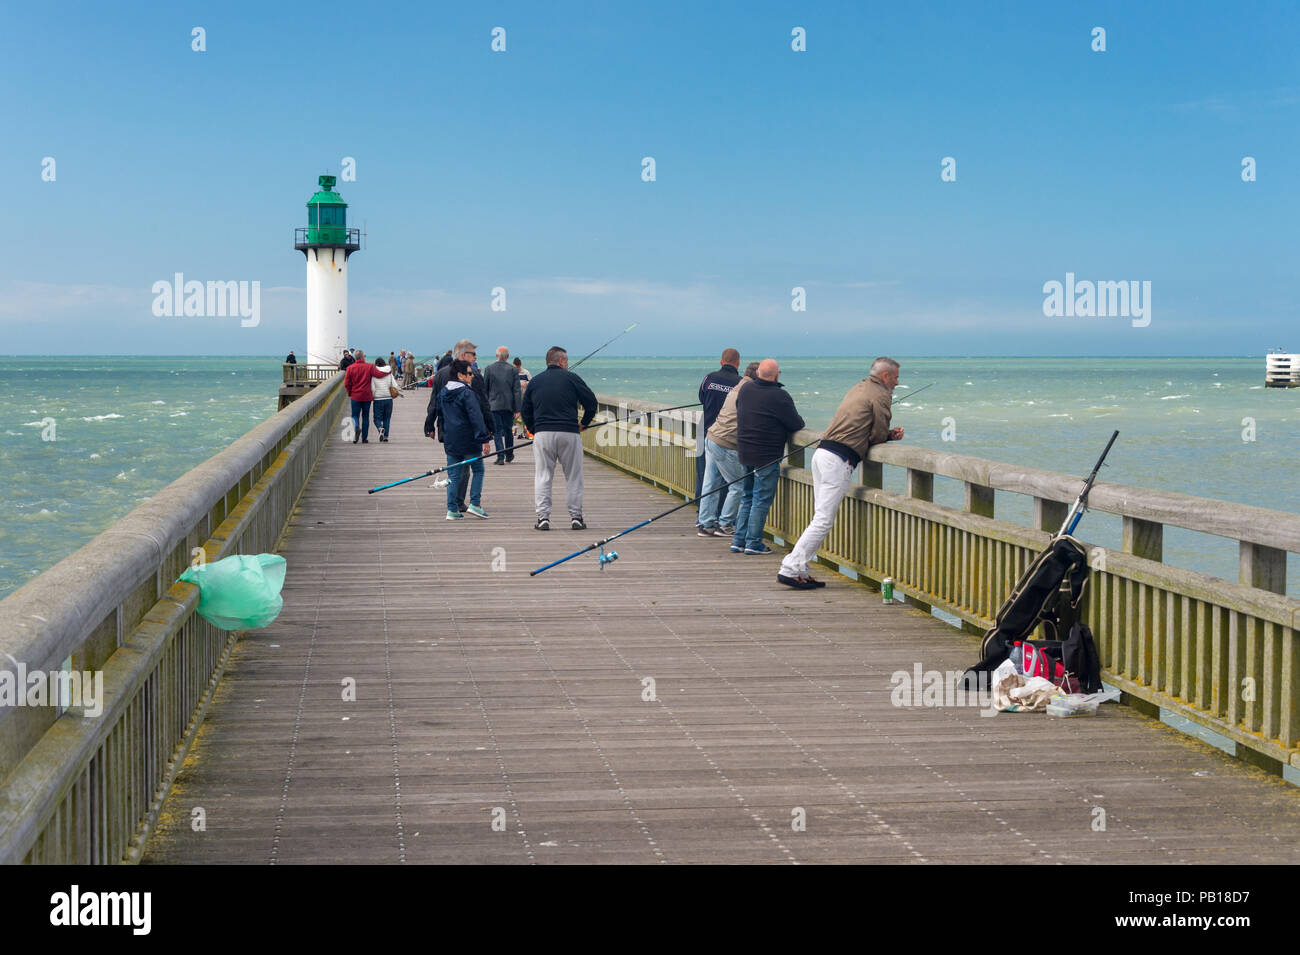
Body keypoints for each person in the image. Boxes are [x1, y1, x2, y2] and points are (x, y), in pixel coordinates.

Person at [777, 357, 904, 588]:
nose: (897, 382)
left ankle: (801, 570)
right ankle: (791, 567)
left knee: (819, 517)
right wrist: (888, 435)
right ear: (885, 376)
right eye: (895, 377)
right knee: (823, 520)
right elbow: (876, 435)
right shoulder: (881, 394)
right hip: (839, 459)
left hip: (822, 453)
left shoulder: (859, 387)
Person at [732, 359, 804, 555]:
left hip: (745, 451)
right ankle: (753, 542)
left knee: (747, 496)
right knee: (761, 500)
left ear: (757, 374)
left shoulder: (746, 390)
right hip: (767, 455)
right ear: (776, 375)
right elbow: (796, 424)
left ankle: (739, 539)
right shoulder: (779, 396)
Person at [521, 345, 597, 530]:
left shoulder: (536, 381)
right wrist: (584, 423)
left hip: (543, 434)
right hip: (569, 432)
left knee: (543, 476)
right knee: (573, 476)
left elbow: (525, 410)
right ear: (561, 361)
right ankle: (576, 517)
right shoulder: (572, 378)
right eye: (567, 361)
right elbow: (591, 402)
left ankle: (543, 518)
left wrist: (534, 429)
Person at [426, 340, 492, 513]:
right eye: (473, 354)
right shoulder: (473, 375)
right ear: (463, 355)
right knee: (468, 469)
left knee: (456, 469)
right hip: (469, 432)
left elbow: (434, 401)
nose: (475, 357)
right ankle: (462, 501)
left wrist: (430, 425)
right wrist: (489, 429)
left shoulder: (440, 374)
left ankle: (453, 505)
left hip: (448, 430)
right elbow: (482, 405)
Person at [697, 361, 758, 537]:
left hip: (711, 437)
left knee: (711, 483)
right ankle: (725, 524)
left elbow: (702, 396)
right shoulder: (750, 391)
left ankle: (705, 523)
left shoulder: (738, 386)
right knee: (738, 485)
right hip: (726, 443)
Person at [695, 349, 742, 525]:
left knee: (705, 476)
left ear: (721, 361)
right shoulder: (739, 384)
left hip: (705, 432)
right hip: (727, 437)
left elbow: (701, 397)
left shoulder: (709, 378)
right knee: (725, 479)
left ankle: (703, 514)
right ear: (737, 363)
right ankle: (722, 516)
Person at [485, 346, 523, 464]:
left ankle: (500, 457)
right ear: (507, 357)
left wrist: (485, 406)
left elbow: (485, 389)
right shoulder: (513, 370)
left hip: (493, 405)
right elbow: (517, 390)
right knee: (508, 431)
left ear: (497, 356)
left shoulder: (489, 369)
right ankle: (509, 454)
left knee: (497, 431)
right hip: (508, 406)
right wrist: (517, 409)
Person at [343, 349, 389, 443]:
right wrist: (388, 372)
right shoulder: (369, 367)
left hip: (355, 396)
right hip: (366, 396)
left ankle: (356, 427)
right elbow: (378, 375)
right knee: (365, 416)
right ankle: (364, 438)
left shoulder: (350, 368)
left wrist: (349, 393)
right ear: (363, 357)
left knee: (355, 415)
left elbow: (346, 383)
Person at [370, 356, 404, 442]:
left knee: (376, 419)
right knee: (387, 418)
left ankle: (380, 428)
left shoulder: (374, 375)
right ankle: (385, 436)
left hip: (378, 399)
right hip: (388, 399)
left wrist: (372, 397)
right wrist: (400, 391)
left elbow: (373, 388)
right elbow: (395, 385)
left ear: (376, 364)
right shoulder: (389, 373)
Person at [513, 357, 531, 437]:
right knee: (513, 416)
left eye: (518, 367)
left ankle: (525, 431)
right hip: (514, 397)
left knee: (524, 414)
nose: (517, 369)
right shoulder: (512, 373)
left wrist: (526, 383)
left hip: (524, 396)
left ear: (520, 365)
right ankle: (514, 431)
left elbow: (531, 382)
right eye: (515, 367)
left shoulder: (525, 372)